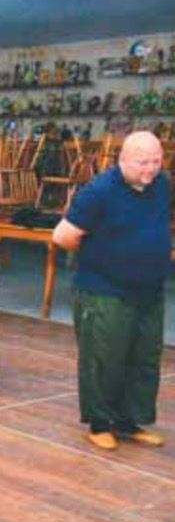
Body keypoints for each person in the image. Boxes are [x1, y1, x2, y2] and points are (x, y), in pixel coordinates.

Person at [52, 130, 173, 451]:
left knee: (143, 357)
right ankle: (100, 424)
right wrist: (102, 257)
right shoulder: (99, 192)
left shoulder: (162, 185)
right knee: (104, 358)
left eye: (156, 161)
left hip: (149, 289)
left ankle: (128, 422)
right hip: (104, 290)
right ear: (123, 160)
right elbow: (62, 236)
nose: (151, 169)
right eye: (143, 162)